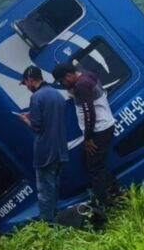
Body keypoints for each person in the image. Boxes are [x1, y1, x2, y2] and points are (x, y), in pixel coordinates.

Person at [51, 62, 119, 209]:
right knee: (89, 161)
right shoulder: (87, 75)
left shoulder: (81, 86)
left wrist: (88, 138)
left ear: (68, 76)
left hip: (99, 129)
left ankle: (102, 203)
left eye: (62, 81)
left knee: (95, 167)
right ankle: (114, 189)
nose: (62, 85)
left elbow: (89, 114)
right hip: (104, 125)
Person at [16, 65, 68, 222]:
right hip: (60, 149)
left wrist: (25, 120)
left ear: (30, 80)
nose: (27, 87)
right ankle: (56, 221)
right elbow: (51, 117)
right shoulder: (57, 94)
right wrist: (33, 114)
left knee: (45, 191)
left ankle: (46, 225)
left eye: (26, 84)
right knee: (55, 188)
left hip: (46, 151)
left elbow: (37, 127)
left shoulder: (36, 97)